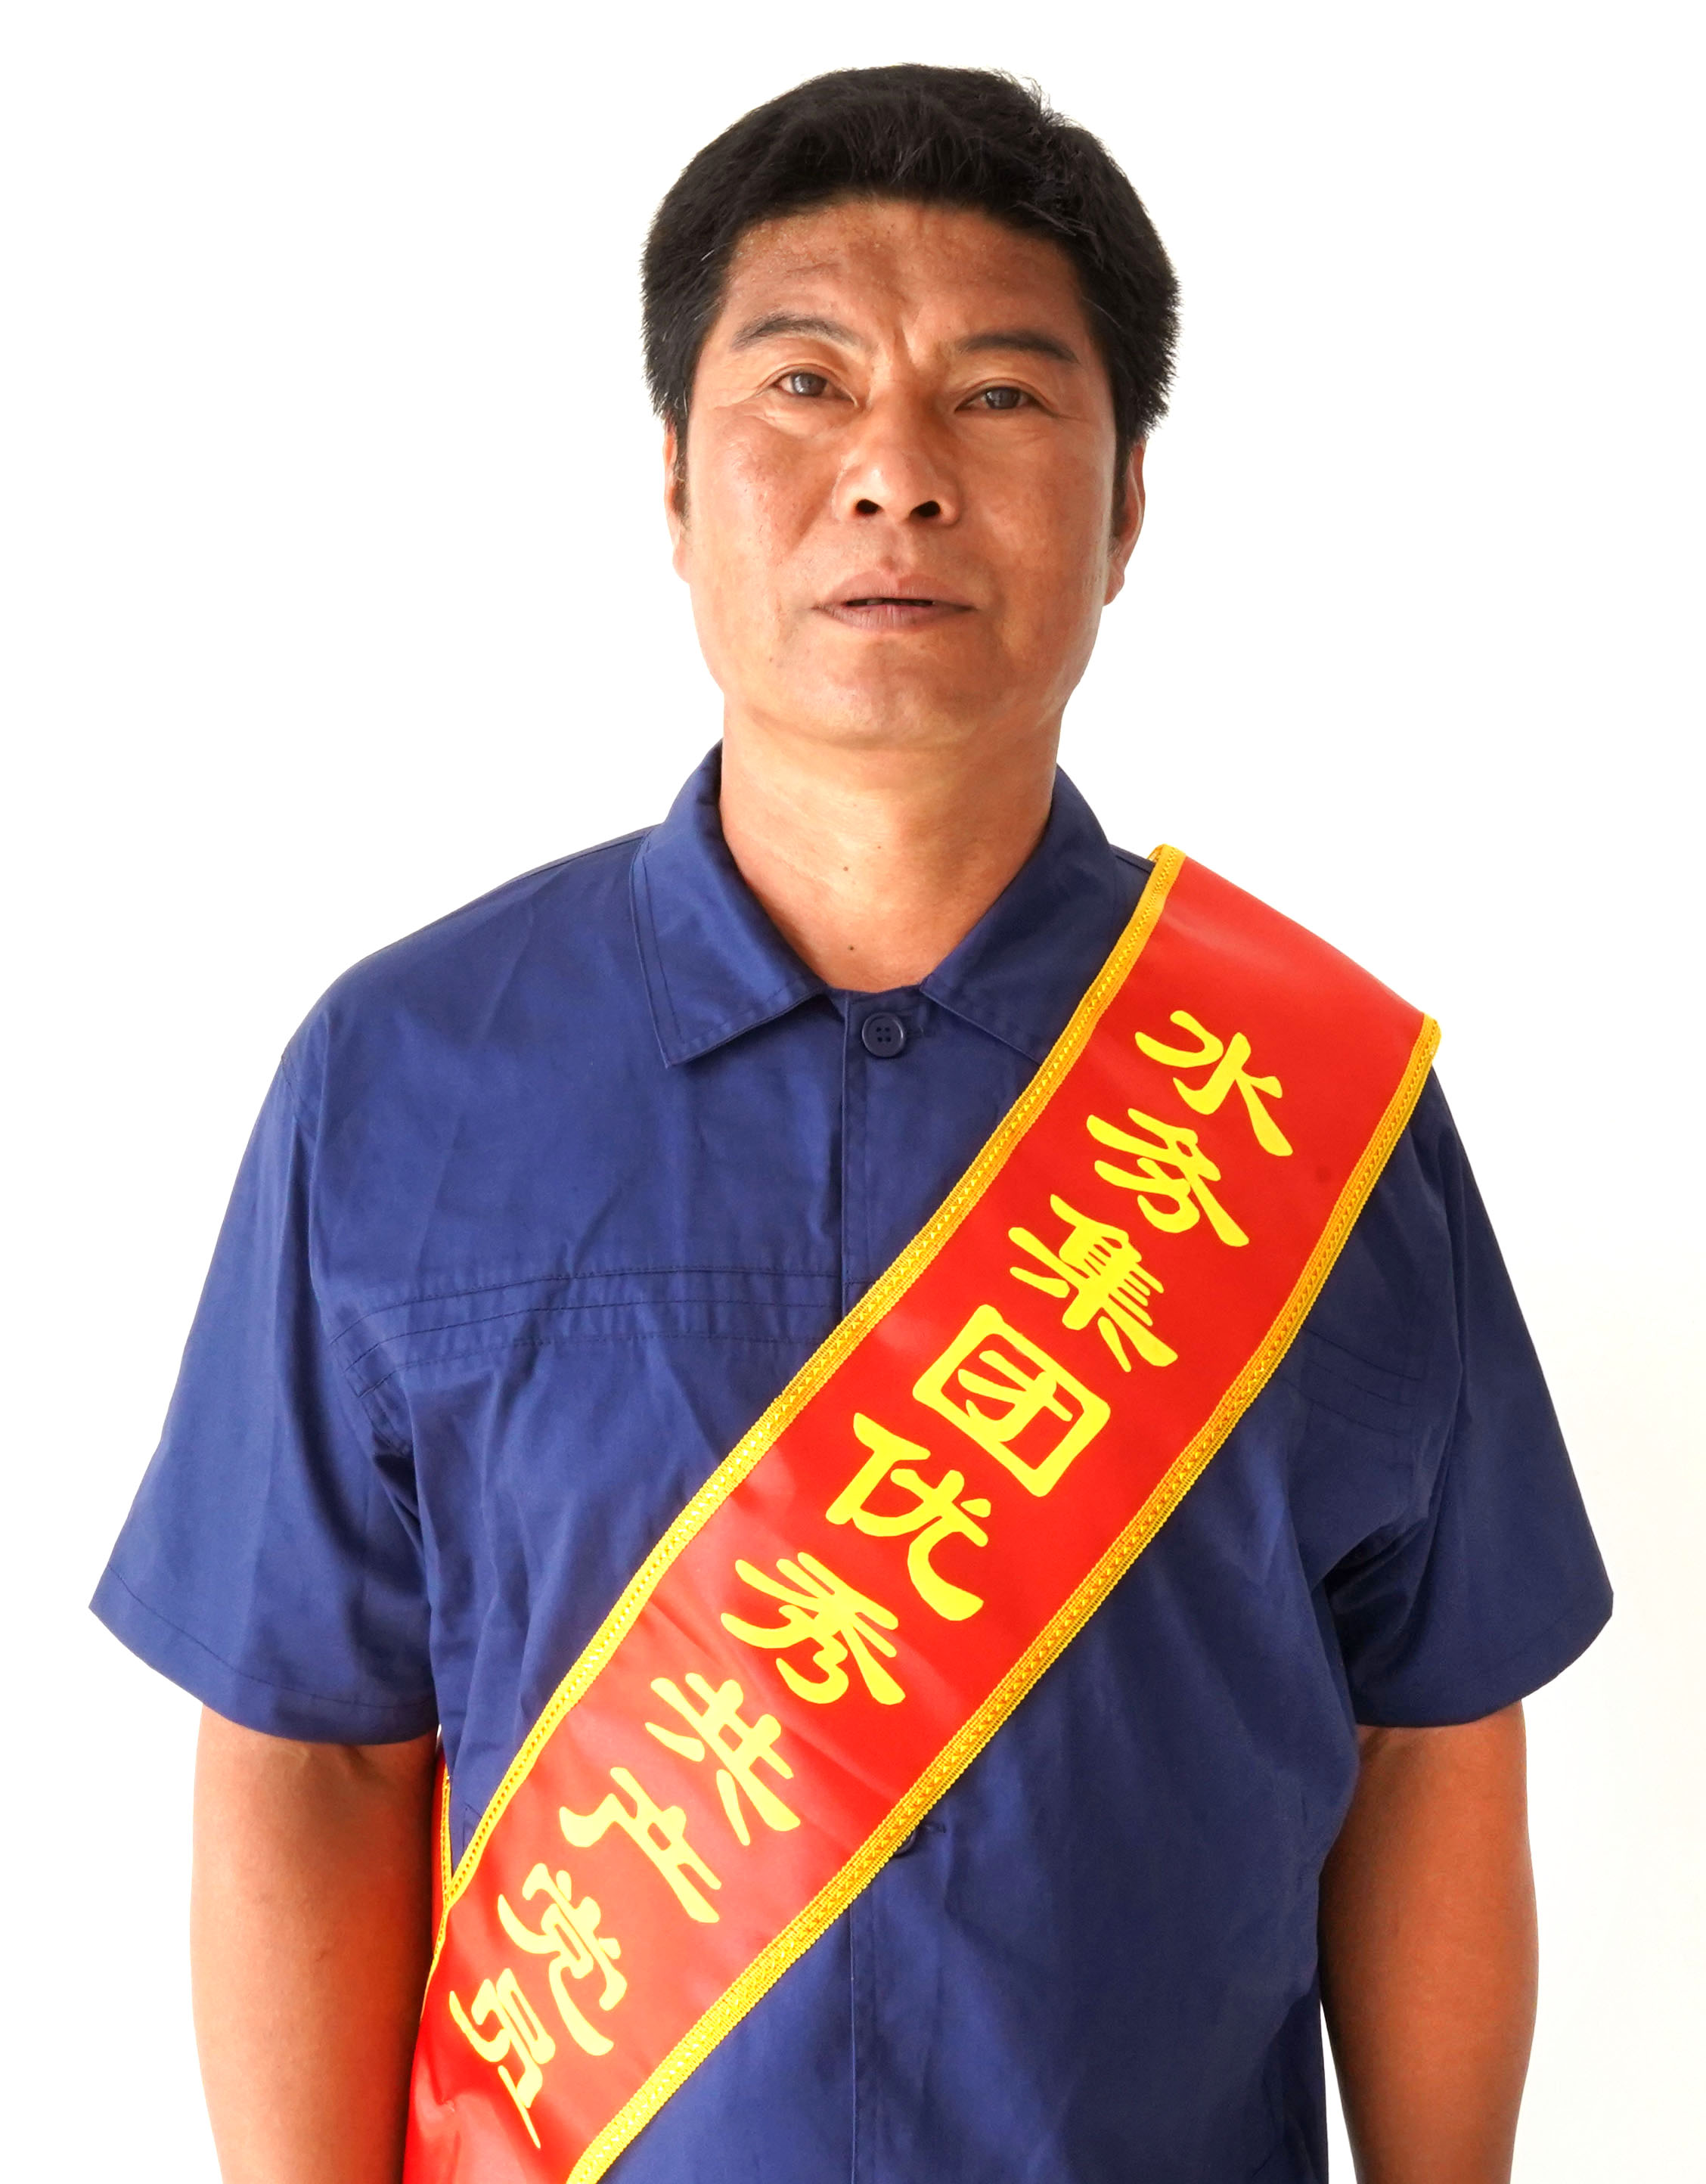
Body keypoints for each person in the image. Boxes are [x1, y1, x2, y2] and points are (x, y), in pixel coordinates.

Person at [94, 64, 1611, 2184]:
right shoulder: (403, 1073)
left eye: (999, 397)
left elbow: (1425, 1732)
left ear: (1129, 506)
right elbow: (314, 1752)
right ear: (674, 481)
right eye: (804, 384)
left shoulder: (1313, 1103)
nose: (894, 473)